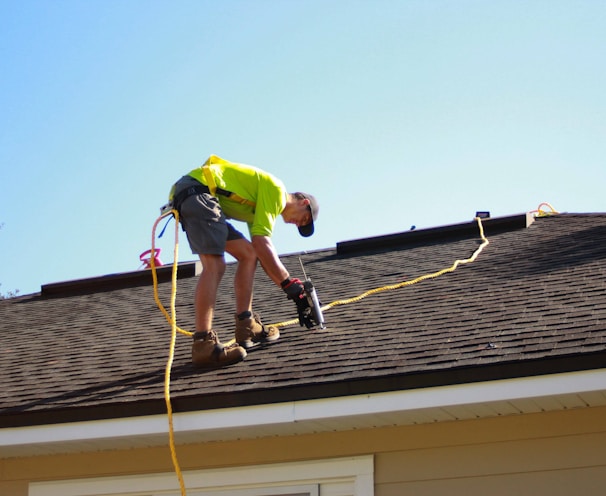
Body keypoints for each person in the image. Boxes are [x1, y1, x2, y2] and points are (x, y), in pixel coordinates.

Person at [169, 154, 319, 368]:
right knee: (215, 265)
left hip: (199, 197)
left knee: (248, 254)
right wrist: (290, 285)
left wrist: (290, 288)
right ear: (304, 202)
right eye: (303, 218)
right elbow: (264, 243)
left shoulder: (260, 207)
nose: (297, 223)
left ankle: (246, 324)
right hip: (197, 192)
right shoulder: (276, 191)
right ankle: (203, 344)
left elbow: (259, 249)